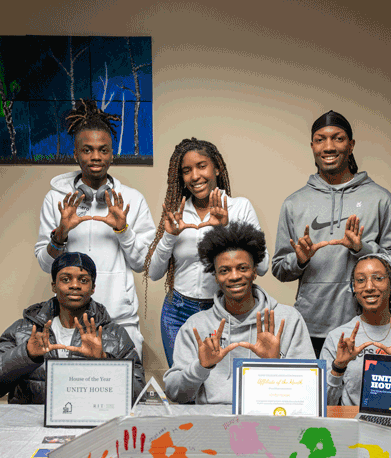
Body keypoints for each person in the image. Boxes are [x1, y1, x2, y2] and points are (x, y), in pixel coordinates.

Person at [272, 110, 391, 357]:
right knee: (316, 395)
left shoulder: (379, 198)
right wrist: (300, 259)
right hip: (308, 328)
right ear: (312, 146)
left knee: (359, 396)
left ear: (351, 145)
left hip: (365, 326)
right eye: (321, 139)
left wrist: (361, 248)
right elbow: (279, 269)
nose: (329, 146)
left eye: (338, 138)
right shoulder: (294, 203)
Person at [35, 100, 156, 358]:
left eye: (103, 150)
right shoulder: (56, 200)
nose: (96, 157)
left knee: (124, 391)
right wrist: (60, 234)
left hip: (120, 319)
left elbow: (142, 264)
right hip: (70, 321)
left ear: (112, 154)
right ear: (76, 154)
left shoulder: (132, 199)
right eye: (87, 150)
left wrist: (123, 229)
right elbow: (46, 266)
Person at [145, 137, 269, 366]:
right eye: (186, 170)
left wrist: (226, 227)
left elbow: (262, 267)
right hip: (177, 312)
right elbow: (153, 273)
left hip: (222, 310)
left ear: (217, 168)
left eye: (202, 166)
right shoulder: (177, 213)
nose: (194, 176)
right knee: (184, 384)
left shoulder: (239, 207)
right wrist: (169, 235)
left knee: (217, 384)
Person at [164, 222, 314, 404]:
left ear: (254, 271)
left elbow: (309, 391)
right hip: (213, 423)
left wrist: (275, 363)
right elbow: (175, 394)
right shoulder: (196, 326)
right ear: (216, 276)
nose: (234, 276)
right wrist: (201, 367)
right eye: (224, 270)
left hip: (268, 419)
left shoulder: (287, 319)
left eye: (242, 268)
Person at [0, 253, 145, 404]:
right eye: (65, 279)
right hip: (31, 424)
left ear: (93, 288)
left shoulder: (116, 336)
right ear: (54, 285)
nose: (75, 285)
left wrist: (104, 362)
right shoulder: (23, 330)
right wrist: (27, 355)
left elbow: (139, 395)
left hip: (91, 423)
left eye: (83, 280)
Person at [320, 253, 391, 405]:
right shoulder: (338, 338)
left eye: (378, 278)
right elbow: (324, 405)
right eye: (360, 280)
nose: (369, 287)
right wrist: (338, 368)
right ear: (353, 287)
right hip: (354, 426)